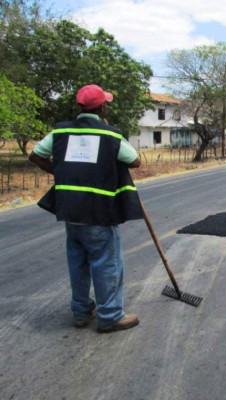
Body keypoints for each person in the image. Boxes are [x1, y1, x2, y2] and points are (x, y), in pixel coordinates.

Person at [29, 84, 144, 333]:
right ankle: (110, 315)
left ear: (80, 107)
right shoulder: (110, 135)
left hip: (71, 213)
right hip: (99, 213)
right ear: (103, 106)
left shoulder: (60, 132)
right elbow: (135, 160)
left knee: (78, 263)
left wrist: (61, 173)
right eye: (106, 104)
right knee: (106, 264)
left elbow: (36, 155)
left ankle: (81, 311)